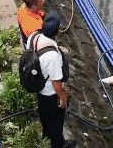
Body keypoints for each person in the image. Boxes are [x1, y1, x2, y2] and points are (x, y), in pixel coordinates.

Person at [29, 13, 77, 148]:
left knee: (44, 116)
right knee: (57, 123)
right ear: (57, 31)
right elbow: (56, 83)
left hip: (39, 87)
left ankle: (46, 135)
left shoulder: (35, 37)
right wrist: (62, 98)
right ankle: (58, 144)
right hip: (50, 94)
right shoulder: (53, 56)